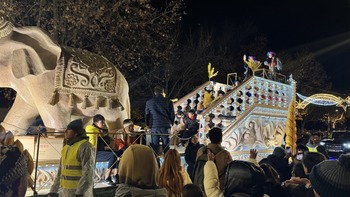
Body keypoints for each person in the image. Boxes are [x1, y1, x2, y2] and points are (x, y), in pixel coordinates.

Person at [49, 119, 94, 197]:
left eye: (69, 130)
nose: (65, 132)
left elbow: (88, 173)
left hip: (79, 193)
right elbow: (60, 171)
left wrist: (80, 193)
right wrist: (53, 190)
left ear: (76, 133)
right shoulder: (66, 147)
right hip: (64, 192)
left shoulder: (85, 147)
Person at [86, 114, 121, 185]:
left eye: (104, 122)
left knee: (118, 153)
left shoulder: (101, 131)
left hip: (100, 151)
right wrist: (101, 133)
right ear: (96, 123)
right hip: (93, 152)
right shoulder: (92, 130)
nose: (104, 124)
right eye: (101, 122)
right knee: (112, 155)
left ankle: (115, 175)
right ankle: (107, 177)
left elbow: (105, 142)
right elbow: (93, 143)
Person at [145, 86, 175, 155]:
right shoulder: (168, 101)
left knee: (155, 146)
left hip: (154, 126)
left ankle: (155, 162)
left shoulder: (149, 102)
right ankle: (167, 162)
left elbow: (147, 115)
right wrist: (172, 123)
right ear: (162, 92)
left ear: (155, 93)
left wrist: (147, 125)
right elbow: (172, 114)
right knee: (166, 146)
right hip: (165, 126)